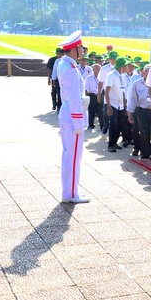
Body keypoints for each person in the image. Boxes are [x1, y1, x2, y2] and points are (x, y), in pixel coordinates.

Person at [56, 31, 89, 203]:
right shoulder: (71, 69)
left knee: (69, 155)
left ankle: (69, 191)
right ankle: (71, 194)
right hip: (72, 116)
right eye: (81, 48)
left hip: (66, 113)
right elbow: (75, 98)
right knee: (74, 156)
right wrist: (79, 122)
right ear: (75, 49)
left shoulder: (63, 64)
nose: (83, 51)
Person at [127, 64, 151, 159]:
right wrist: (130, 113)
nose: (150, 73)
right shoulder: (137, 83)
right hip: (142, 110)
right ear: (143, 72)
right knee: (144, 131)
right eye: (148, 71)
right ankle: (145, 152)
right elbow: (133, 99)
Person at [104, 57, 129, 153]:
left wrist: (125, 104)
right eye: (126, 65)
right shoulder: (111, 75)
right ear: (122, 66)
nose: (127, 67)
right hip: (113, 103)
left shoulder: (122, 76)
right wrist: (108, 106)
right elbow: (106, 91)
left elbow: (123, 91)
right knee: (113, 124)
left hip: (121, 104)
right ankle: (110, 144)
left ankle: (115, 143)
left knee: (119, 124)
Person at [47, 47, 64, 112]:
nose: (60, 55)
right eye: (58, 53)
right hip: (56, 78)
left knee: (60, 93)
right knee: (54, 92)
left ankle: (59, 106)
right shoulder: (52, 60)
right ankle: (54, 103)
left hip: (62, 79)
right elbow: (50, 70)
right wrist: (49, 79)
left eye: (61, 53)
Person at [85, 63, 100, 130]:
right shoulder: (89, 78)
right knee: (91, 111)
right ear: (93, 70)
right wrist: (88, 97)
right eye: (97, 69)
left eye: (99, 69)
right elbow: (86, 89)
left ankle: (102, 125)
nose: (99, 70)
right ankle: (90, 125)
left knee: (100, 111)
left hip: (99, 95)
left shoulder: (102, 78)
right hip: (92, 96)